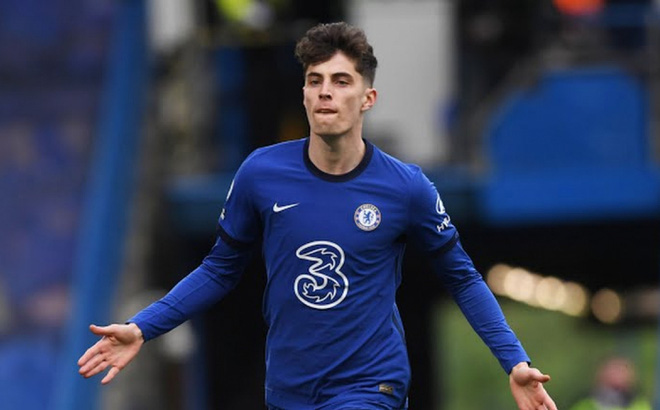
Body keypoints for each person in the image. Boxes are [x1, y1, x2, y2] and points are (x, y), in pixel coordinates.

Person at [78, 22, 557, 410]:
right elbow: (219, 269)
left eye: (341, 81)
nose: (326, 92)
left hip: (372, 386)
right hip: (289, 390)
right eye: (315, 81)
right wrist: (143, 326)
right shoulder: (261, 174)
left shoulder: (405, 187)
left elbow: (463, 278)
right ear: (305, 95)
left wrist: (514, 361)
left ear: (367, 99)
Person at [569, 356, 651, 410]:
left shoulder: (640, 406)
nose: (617, 375)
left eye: (621, 370)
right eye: (613, 370)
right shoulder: (585, 406)